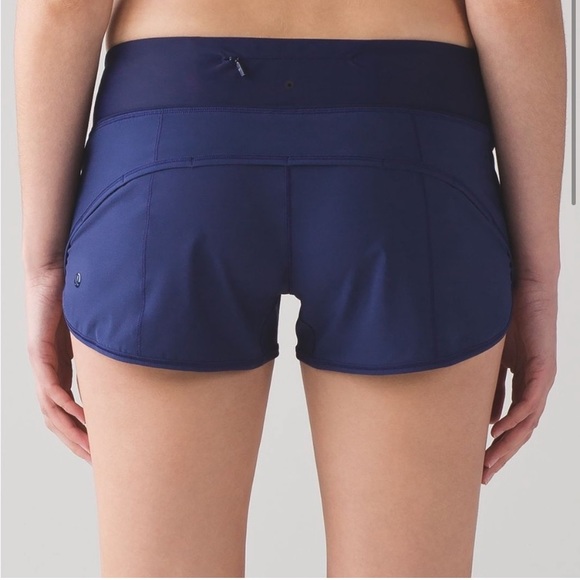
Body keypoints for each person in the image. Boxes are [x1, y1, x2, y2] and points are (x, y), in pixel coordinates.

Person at [14, 0, 566, 577]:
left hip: (171, 155)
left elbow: (61, 7)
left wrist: (44, 266)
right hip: (407, 158)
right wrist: (536, 279)